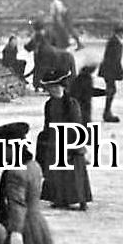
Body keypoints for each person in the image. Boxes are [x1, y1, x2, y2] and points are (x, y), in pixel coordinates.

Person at [36, 68, 92, 211]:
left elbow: (77, 125)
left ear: (62, 87)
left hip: (69, 140)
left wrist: (75, 145)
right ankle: (59, 198)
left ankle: (81, 199)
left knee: (74, 173)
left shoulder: (71, 104)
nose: (53, 91)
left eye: (56, 87)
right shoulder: (49, 104)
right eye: (51, 88)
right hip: (54, 141)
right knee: (56, 173)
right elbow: (47, 123)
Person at [68, 63, 107, 129]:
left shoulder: (81, 79)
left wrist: (103, 92)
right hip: (82, 108)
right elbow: (89, 91)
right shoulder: (84, 79)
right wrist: (103, 92)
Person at [100, 24, 123, 123]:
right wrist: (119, 72)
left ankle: (107, 112)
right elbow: (115, 59)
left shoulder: (112, 41)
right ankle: (107, 113)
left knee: (111, 90)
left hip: (107, 70)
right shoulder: (116, 42)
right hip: (110, 70)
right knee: (111, 90)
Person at [23, 21, 54, 92]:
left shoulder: (37, 35)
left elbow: (29, 47)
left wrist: (26, 46)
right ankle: (46, 86)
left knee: (38, 71)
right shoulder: (49, 34)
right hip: (50, 56)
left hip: (40, 57)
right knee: (47, 71)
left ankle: (38, 86)